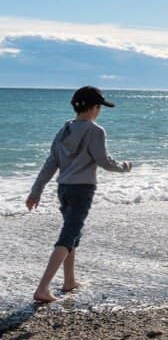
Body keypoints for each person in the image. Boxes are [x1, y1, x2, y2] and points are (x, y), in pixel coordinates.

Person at [25, 86, 132, 303]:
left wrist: (36, 191)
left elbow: (50, 163)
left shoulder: (64, 130)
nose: (99, 111)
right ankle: (42, 288)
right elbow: (104, 162)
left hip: (63, 188)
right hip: (83, 189)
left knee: (73, 233)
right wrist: (124, 167)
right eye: (99, 107)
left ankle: (69, 281)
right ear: (94, 108)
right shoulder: (95, 131)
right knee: (68, 235)